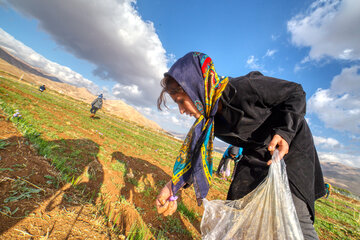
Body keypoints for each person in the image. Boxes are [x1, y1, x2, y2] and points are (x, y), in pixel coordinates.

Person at [155, 52, 325, 239]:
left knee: (296, 218)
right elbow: (194, 155)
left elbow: (295, 92)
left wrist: (285, 132)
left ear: (196, 86)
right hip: (256, 153)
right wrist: (171, 188)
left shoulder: (245, 87)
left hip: (289, 150)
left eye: (181, 101)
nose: (181, 110)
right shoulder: (209, 119)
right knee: (236, 209)